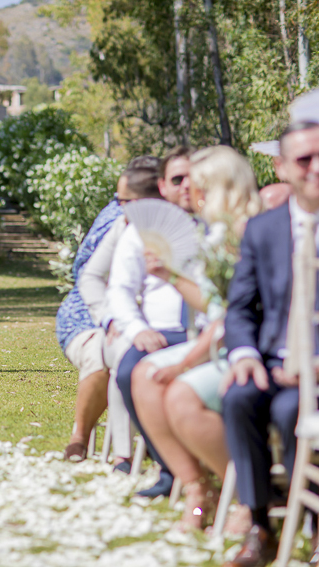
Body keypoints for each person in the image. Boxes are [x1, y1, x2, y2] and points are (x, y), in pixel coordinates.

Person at [130, 146, 261, 531]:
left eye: (201, 186)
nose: (194, 195)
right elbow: (213, 302)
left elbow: (229, 315)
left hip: (239, 343)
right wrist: (168, 276)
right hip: (217, 337)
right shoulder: (215, 232)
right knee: (143, 374)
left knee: (171, 387)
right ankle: (197, 487)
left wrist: (185, 363)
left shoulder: (248, 233)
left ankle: (245, 495)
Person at [221, 118, 319, 567]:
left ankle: (316, 528)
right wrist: (243, 353)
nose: (316, 168)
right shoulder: (264, 230)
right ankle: (260, 522)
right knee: (240, 398)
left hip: (314, 371)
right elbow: (240, 307)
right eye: (305, 159)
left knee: (288, 410)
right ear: (281, 168)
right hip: (272, 361)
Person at [108, 145, 196, 498]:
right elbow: (120, 288)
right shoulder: (140, 231)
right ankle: (169, 467)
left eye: (194, 177)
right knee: (129, 371)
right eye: (178, 179)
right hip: (160, 331)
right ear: (163, 186)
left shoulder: (222, 225)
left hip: (210, 332)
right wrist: (137, 328)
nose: (187, 186)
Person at [77, 156, 162, 471]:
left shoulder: (190, 223)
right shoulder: (123, 227)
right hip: (126, 324)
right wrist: (109, 317)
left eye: (124, 201)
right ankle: (124, 455)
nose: (118, 207)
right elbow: (89, 277)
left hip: (176, 326)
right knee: (124, 355)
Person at [55, 172, 124, 461]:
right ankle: (80, 438)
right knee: (104, 350)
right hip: (94, 316)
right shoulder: (117, 219)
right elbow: (85, 273)